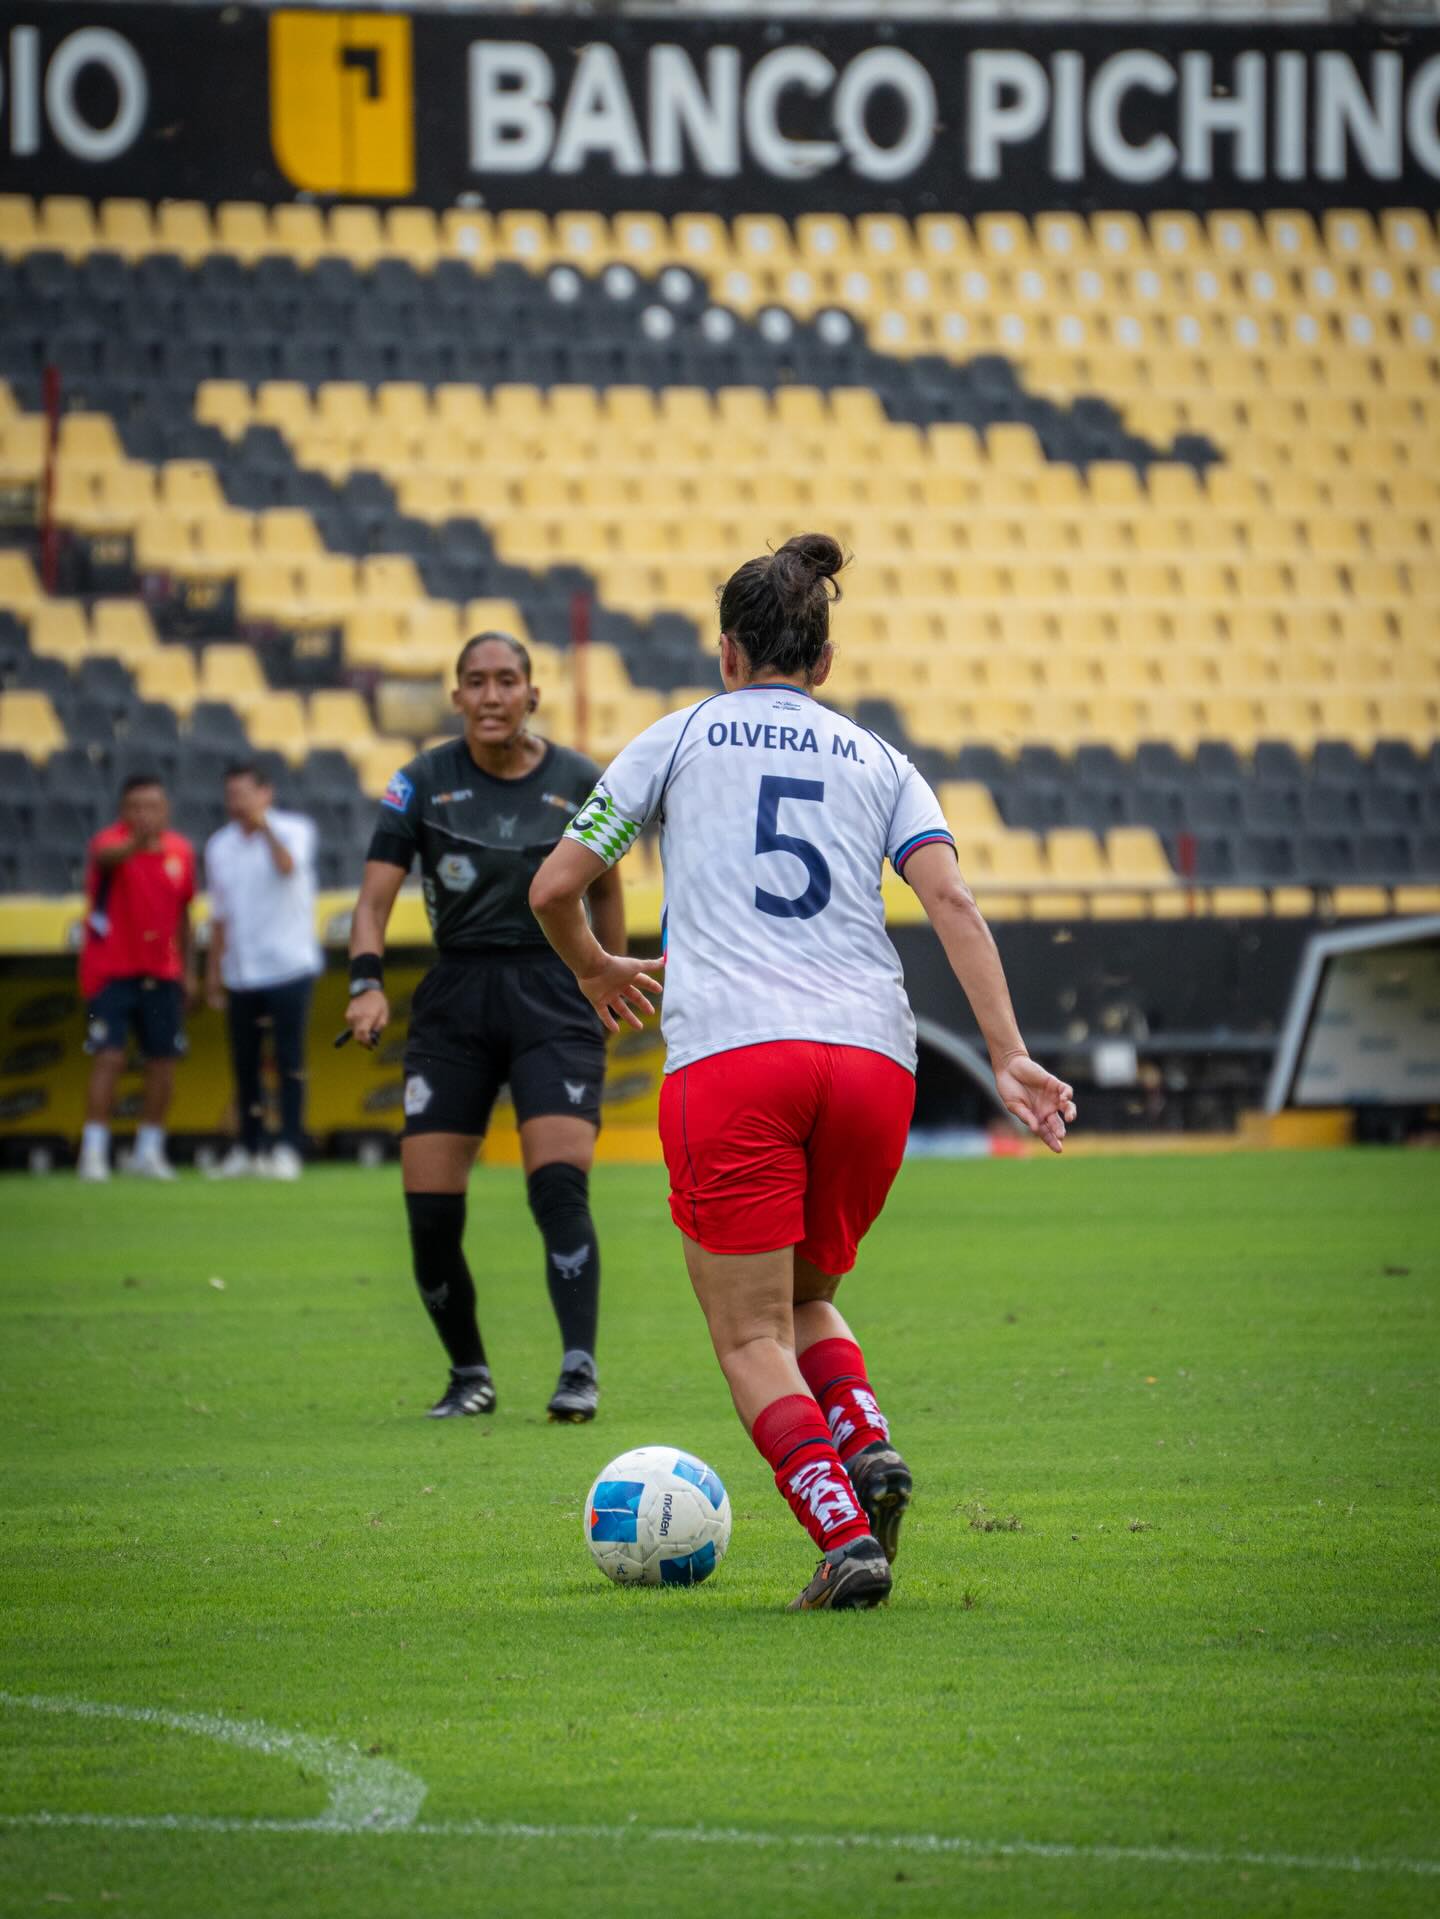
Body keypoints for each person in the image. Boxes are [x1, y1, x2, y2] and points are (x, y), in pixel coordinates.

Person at [529, 534, 1076, 1612]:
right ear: (824, 662)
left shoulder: (676, 738)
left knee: (748, 1330)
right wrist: (1009, 1051)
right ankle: (866, 1449)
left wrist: (595, 967)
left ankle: (842, 1535)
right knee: (807, 1294)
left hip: (737, 1051)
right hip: (875, 1058)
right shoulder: (881, 758)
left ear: (726, 650)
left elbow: (556, 884)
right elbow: (953, 902)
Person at [344, 631, 628, 1423]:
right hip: (456, 995)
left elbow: (604, 891)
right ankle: (468, 1372)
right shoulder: (420, 782)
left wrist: (601, 968)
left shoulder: (580, 780)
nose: (493, 694)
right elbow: (371, 902)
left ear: (533, 694)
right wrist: (365, 986)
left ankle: (579, 1370)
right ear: (459, 696)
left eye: (508, 680)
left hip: (553, 994)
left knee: (558, 1187)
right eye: (477, 681)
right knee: (431, 1213)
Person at [203, 762, 321, 1181]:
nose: (237, 803)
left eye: (245, 794)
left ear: (265, 794)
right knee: (245, 1065)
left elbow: (287, 866)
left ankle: (288, 1146)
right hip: (241, 971)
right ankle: (248, 1147)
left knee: (289, 1059)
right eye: (231, 795)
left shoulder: (294, 829)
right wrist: (213, 972)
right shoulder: (219, 845)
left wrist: (264, 826)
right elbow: (219, 916)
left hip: (289, 966)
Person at [77, 772, 198, 1182]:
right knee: (107, 1057)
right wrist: (136, 842)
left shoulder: (180, 851)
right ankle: (94, 1151)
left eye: (153, 806)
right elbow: (106, 861)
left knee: (163, 1062)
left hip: (162, 973)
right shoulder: (108, 846)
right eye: (137, 806)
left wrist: (189, 972)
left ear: (166, 809)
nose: (145, 814)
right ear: (123, 811)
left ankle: (149, 1149)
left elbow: (184, 914)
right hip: (109, 974)